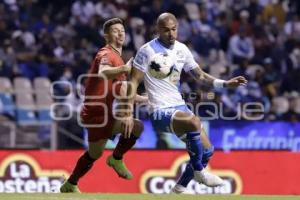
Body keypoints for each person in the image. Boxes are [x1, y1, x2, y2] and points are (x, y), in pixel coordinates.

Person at [121, 13, 247, 194]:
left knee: (207, 151)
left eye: (174, 29)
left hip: (179, 107)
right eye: (166, 30)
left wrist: (225, 84)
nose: (171, 34)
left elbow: (201, 76)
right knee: (194, 121)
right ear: (158, 30)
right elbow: (133, 82)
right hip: (159, 110)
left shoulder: (182, 49)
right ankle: (199, 172)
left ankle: (178, 190)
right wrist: (126, 114)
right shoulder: (147, 51)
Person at [60, 18, 147, 193]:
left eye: (122, 30)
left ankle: (70, 184)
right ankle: (116, 158)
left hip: (101, 114)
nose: (120, 33)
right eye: (115, 30)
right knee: (136, 126)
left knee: (94, 154)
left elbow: (123, 91)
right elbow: (103, 73)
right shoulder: (106, 53)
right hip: (95, 114)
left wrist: (147, 99)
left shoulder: (118, 59)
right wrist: (123, 70)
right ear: (106, 35)